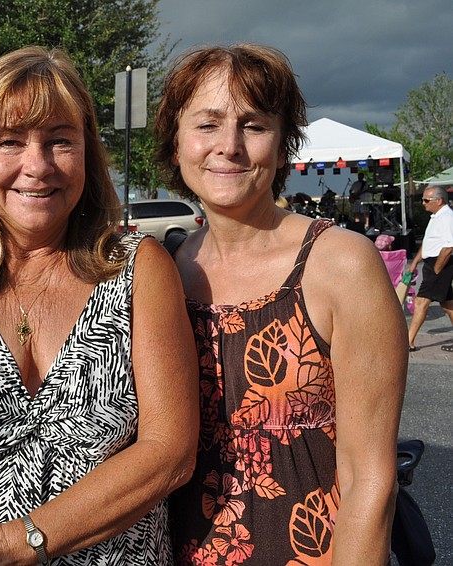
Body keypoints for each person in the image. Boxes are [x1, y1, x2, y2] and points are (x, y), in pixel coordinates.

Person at [0, 46, 199, 564]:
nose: (37, 166)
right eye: (8, 142)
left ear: (87, 153)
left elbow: (171, 452)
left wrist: (16, 545)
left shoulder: (141, 268)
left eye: (59, 141)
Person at [155, 44, 407, 565]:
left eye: (254, 125)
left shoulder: (339, 264)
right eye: (207, 125)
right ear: (175, 142)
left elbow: (370, 478)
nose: (229, 146)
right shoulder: (163, 272)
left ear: (282, 140)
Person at [406, 185, 453, 352]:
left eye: (426, 200)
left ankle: (408, 341)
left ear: (439, 201)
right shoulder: (436, 217)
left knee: (421, 302)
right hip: (432, 263)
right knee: (448, 304)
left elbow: (448, 247)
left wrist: (437, 269)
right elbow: (428, 244)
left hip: (439, 264)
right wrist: (413, 264)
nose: (423, 203)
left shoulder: (446, 217)